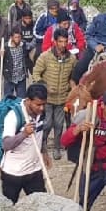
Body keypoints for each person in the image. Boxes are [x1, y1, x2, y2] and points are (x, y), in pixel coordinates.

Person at [0, 84, 52, 203]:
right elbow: (6, 145)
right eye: (38, 104)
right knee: (9, 208)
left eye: (44, 104)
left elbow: (40, 133)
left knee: (41, 207)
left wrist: (44, 152)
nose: (42, 108)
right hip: (13, 174)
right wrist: (24, 134)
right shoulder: (13, 116)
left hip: (34, 171)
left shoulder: (41, 113)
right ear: (28, 101)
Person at [33, 29, 76, 160]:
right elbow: (36, 73)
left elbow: (73, 77)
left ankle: (57, 147)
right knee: (46, 123)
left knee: (59, 124)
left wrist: (72, 88)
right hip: (46, 99)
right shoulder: (45, 56)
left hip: (62, 98)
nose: (63, 44)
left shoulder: (72, 59)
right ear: (55, 42)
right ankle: (42, 143)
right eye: (60, 41)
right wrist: (44, 87)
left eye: (65, 41)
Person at [0, 27, 29, 99]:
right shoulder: (5, 47)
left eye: (19, 37)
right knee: (8, 100)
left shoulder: (23, 44)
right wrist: (0, 55)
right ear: (11, 37)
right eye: (15, 37)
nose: (17, 39)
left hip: (21, 77)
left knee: (21, 100)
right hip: (9, 77)